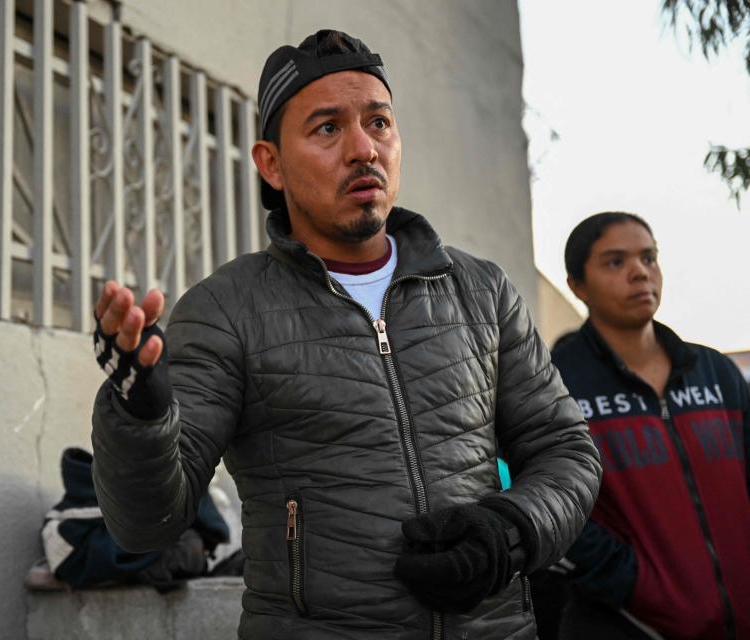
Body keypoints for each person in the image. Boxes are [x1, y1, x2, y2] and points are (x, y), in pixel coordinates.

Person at [89, 29, 601, 639]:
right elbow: (147, 525)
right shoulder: (226, 309)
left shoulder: (481, 291)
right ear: (270, 164)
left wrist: (509, 533)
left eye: (379, 122)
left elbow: (567, 452)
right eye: (327, 128)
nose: (363, 148)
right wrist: (140, 414)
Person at [552, 212, 750, 640]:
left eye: (649, 257)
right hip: (626, 624)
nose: (640, 272)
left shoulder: (715, 371)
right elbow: (552, 507)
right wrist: (635, 584)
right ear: (577, 286)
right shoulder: (554, 385)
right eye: (615, 262)